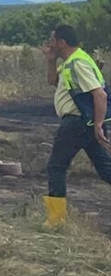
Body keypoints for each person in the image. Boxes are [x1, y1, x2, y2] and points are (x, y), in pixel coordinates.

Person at [41, 24, 111, 228]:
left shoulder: (78, 63)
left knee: (56, 166)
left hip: (77, 123)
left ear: (62, 42)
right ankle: (56, 218)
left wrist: (98, 125)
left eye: (53, 40)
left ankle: (56, 220)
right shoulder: (71, 62)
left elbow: (100, 95)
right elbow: (52, 81)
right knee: (105, 169)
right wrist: (51, 61)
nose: (50, 44)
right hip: (85, 123)